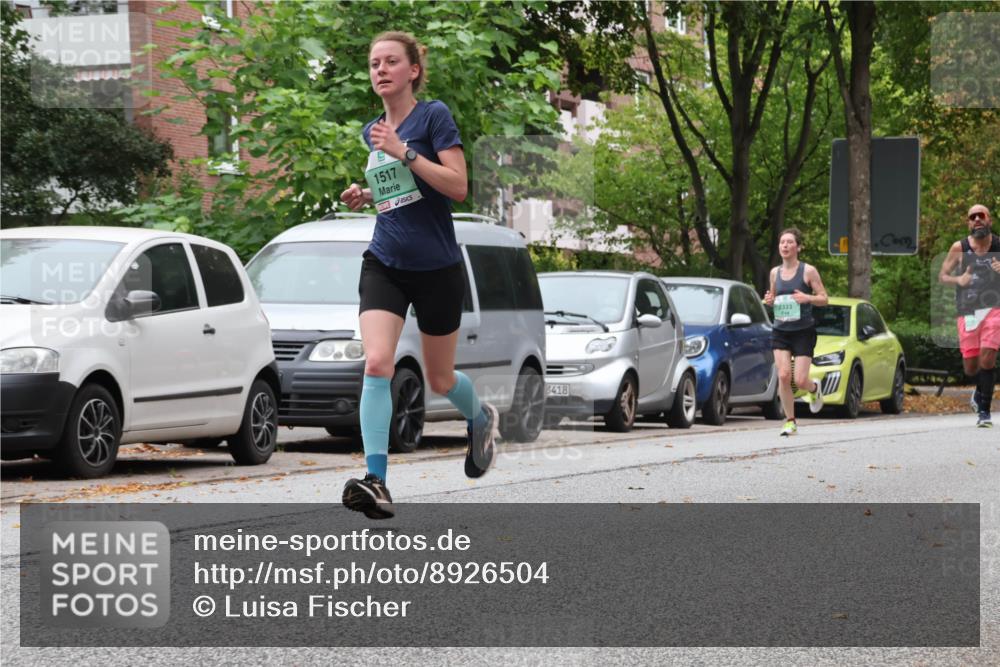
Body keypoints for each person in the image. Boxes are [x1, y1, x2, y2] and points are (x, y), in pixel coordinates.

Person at [338, 31, 499, 519]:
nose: (380, 70)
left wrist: (404, 150)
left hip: (437, 268)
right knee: (377, 363)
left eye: (390, 62)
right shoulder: (372, 131)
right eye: (373, 64)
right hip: (385, 262)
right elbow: (400, 196)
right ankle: (377, 481)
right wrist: (368, 196)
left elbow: (457, 186)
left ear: (413, 71)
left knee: (441, 377)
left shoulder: (433, 117)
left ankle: (480, 418)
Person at [937, 204, 1000, 428]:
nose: (977, 220)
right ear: (968, 223)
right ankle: (978, 391)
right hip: (968, 312)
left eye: (981, 216)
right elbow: (942, 276)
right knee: (971, 367)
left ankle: (984, 412)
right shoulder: (960, 247)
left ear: (989, 220)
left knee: (988, 356)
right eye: (972, 217)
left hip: (995, 309)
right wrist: (959, 280)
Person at [764, 228, 828, 436]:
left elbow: (824, 298)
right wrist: (770, 301)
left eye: (790, 242)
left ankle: (814, 389)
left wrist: (808, 298)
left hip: (803, 331)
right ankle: (790, 421)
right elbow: (773, 298)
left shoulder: (808, 271)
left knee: (800, 380)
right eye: (782, 242)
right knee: (783, 375)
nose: (785, 245)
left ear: (798, 247)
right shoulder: (775, 273)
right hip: (780, 330)